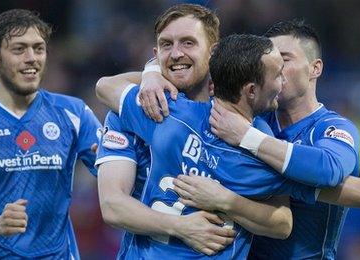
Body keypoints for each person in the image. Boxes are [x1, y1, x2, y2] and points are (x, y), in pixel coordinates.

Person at [169, 20, 360, 259]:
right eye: (268, 61)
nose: (275, 69)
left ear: (316, 68)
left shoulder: (332, 129)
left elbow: (337, 175)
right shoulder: (251, 117)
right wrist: (153, 72)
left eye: (284, 59)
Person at [95, 4, 293, 258]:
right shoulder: (131, 112)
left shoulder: (253, 124)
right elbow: (112, 206)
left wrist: (225, 201)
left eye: (188, 43)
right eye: (166, 46)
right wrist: (182, 227)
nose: (176, 54)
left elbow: (282, 222)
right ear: (156, 53)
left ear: (214, 53)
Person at [0, 9, 101, 259]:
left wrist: (111, 161)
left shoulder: (74, 113)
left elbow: (117, 174)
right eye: (19, 49)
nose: (32, 58)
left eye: (39, 48)